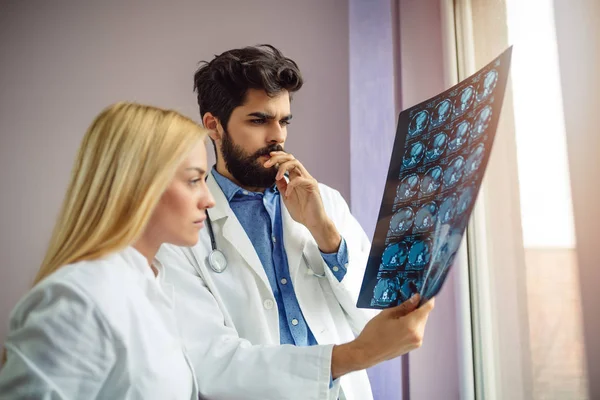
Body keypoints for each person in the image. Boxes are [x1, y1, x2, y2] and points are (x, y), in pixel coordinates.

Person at [157, 44, 435, 400]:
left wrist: (326, 236)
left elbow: (377, 323)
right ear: (214, 125)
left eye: (284, 120)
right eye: (259, 120)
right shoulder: (184, 228)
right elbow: (213, 367)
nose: (278, 136)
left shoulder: (326, 203)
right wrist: (349, 357)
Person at [0, 102, 215, 398]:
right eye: (194, 180)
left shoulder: (150, 286)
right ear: (140, 184)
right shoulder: (79, 300)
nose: (208, 199)